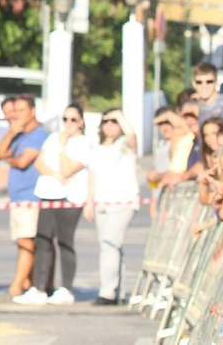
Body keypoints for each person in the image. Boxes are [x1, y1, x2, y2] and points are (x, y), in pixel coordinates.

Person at [18, 104, 89, 307]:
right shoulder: (53, 138)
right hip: (48, 194)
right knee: (43, 241)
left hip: (69, 198)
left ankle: (66, 288)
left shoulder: (82, 144)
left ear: (81, 122)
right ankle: (38, 288)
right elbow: (39, 163)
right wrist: (55, 174)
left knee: (64, 241)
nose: (68, 124)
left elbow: (68, 169)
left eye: (73, 120)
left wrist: (62, 147)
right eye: (65, 119)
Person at [0, 94, 48, 297]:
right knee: (21, 241)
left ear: (32, 111)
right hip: (17, 197)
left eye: (21, 110)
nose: (16, 115)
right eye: (14, 110)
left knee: (26, 241)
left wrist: (9, 158)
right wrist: (10, 134)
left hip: (30, 196)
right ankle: (29, 282)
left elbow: (23, 161)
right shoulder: (18, 134)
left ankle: (17, 285)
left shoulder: (38, 134)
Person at [85, 110, 138, 306]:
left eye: (113, 121)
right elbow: (92, 176)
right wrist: (89, 201)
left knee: (109, 244)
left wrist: (120, 116)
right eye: (105, 121)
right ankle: (119, 290)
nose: (109, 125)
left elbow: (132, 136)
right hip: (102, 202)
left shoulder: (123, 146)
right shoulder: (96, 148)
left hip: (123, 202)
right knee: (112, 246)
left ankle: (107, 291)